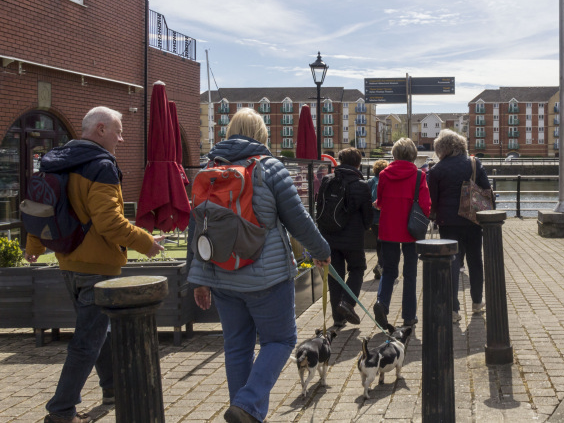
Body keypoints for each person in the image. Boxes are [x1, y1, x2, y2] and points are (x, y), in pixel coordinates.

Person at [187, 108, 330, 423]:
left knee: (236, 345)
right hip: (266, 279)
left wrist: (198, 278)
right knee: (280, 340)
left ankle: (245, 412)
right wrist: (321, 250)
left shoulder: (208, 169)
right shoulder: (270, 168)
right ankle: (248, 406)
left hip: (221, 275)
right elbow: (299, 220)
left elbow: (196, 227)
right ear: (261, 133)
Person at [25, 106, 166, 423]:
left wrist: (33, 246)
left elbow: (41, 207)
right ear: (100, 129)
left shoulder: (58, 159)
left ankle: (114, 389)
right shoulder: (101, 166)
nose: (121, 137)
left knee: (98, 329)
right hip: (97, 267)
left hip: (68, 263)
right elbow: (109, 223)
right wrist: (146, 243)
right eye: (117, 130)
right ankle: (61, 411)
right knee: (86, 342)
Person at [427, 129, 491, 323]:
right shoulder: (474, 163)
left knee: (452, 262)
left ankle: (453, 310)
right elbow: (487, 189)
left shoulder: (437, 169)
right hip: (472, 219)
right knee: (475, 261)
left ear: (441, 148)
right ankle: (477, 302)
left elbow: (432, 200)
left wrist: (435, 216)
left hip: (448, 222)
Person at [373, 138, 431, 328]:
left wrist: (380, 205)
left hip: (389, 228)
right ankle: (409, 315)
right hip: (411, 229)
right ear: (413, 155)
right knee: (410, 274)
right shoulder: (418, 176)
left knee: (389, 270)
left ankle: (382, 303)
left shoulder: (384, 175)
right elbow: (425, 204)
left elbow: (380, 200)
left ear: (394, 154)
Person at [317, 147, 373, 328]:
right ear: (358, 163)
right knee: (358, 268)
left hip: (329, 236)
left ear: (340, 161)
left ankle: (338, 318)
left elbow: (320, 208)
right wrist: (365, 227)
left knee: (335, 275)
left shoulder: (327, 180)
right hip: (353, 239)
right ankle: (348, 302)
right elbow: (368, 216)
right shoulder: (361, 185)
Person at [367, 159, 389, 279]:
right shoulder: (385, 181)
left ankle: (380, 264)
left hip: (374, 220)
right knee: (384, 244)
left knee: (378, 243)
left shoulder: (370, 181)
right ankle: (381, 265)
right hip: (384, 218)